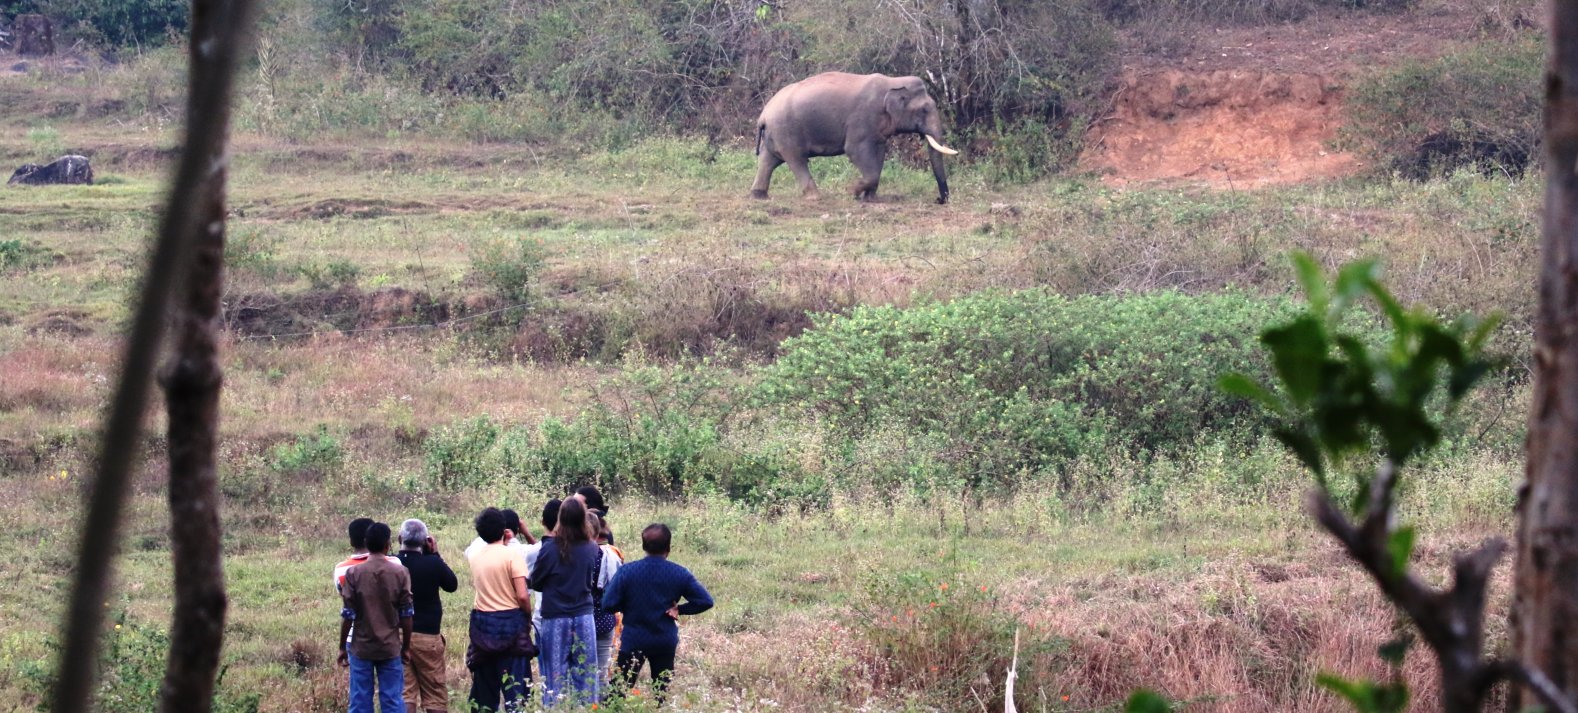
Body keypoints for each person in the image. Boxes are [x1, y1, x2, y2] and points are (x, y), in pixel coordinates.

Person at [603, 523, 713, 706]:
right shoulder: (679, 573)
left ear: (643, 546)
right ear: (668, 548)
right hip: (664, 639)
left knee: (618, 692)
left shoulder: (627, 571)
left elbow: (607, 604)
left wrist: (627, 606)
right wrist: (680, 609)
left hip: (633, 640)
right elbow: (705, 601)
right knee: (660, 693)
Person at [529, 498, 602, 707]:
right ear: (583, 518)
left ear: (560, 518)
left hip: (556, 616)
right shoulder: (591, 547)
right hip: (584, 615)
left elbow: (537, 582)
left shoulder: (551, 549)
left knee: (554, 672)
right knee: (586, 672)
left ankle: (553, 708)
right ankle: (588, 708)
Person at [339, 522, 414, 713]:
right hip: (390, 646)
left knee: (360, 701)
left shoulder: (353, 573)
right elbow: (406, 614)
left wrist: (342, 647)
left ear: (366, 542)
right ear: (388, 544)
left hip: (361, 647)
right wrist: (405, 646)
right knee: (392, 700)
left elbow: (348, 615)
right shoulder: (399, 572)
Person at [467, 507, 535, 713]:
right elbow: (522, 595)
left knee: (485, 687)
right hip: (510, 623)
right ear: (505, 530)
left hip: (482, 624)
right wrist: (527, 615)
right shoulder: (512, 556)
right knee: (516, 688)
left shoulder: (475, 555)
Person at [397, 519, 458, 713]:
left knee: (405, 692)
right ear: (426, 541)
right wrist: (436, 554)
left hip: (397, 634)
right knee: (435, 693)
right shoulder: (432, 563)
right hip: (428, 636)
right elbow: (452, 585)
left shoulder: (393, 563)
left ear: (400, 539)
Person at [588, 512, 624, 684]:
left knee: (583, 670)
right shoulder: (613, 555)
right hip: (606, 618)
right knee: (602, 671)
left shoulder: (580, 555)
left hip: (583, 620)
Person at [523, 498, 562, 637]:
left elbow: (528, 589)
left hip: (543, 616)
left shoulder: (534, 552)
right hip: (572, 617)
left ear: (542, 522)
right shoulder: (577, 549)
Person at [465, 508, 533, 561]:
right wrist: (527, 534)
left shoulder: (477, 544)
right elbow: (540, 553)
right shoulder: (520, 551)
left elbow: (467, 552)